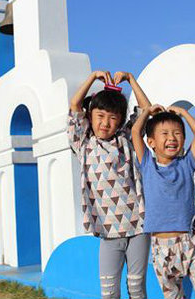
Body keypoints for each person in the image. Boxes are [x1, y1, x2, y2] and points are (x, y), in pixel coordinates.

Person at [67, 70, 151, 299]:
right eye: (100, 115)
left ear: (121, 121)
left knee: (137, 288)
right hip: (108, 230)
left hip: (139, 225)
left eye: (113, 117)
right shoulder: (83, 144)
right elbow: (75, 103)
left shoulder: (126, 138)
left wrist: (132, 80)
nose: (105, 123)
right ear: (90, 116)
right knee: (109, 291)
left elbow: (146, 110)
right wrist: (93, 77)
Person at [132, 104, 195, 299]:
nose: (172, 138)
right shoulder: (147, 165)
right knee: (173, 296)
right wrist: (147, 111)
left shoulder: (187, 164)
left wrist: (184, 113)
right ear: (151, 142)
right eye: (165, 133)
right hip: (161, 247)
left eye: (178, 133)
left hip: (191, 243)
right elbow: (135, 131)